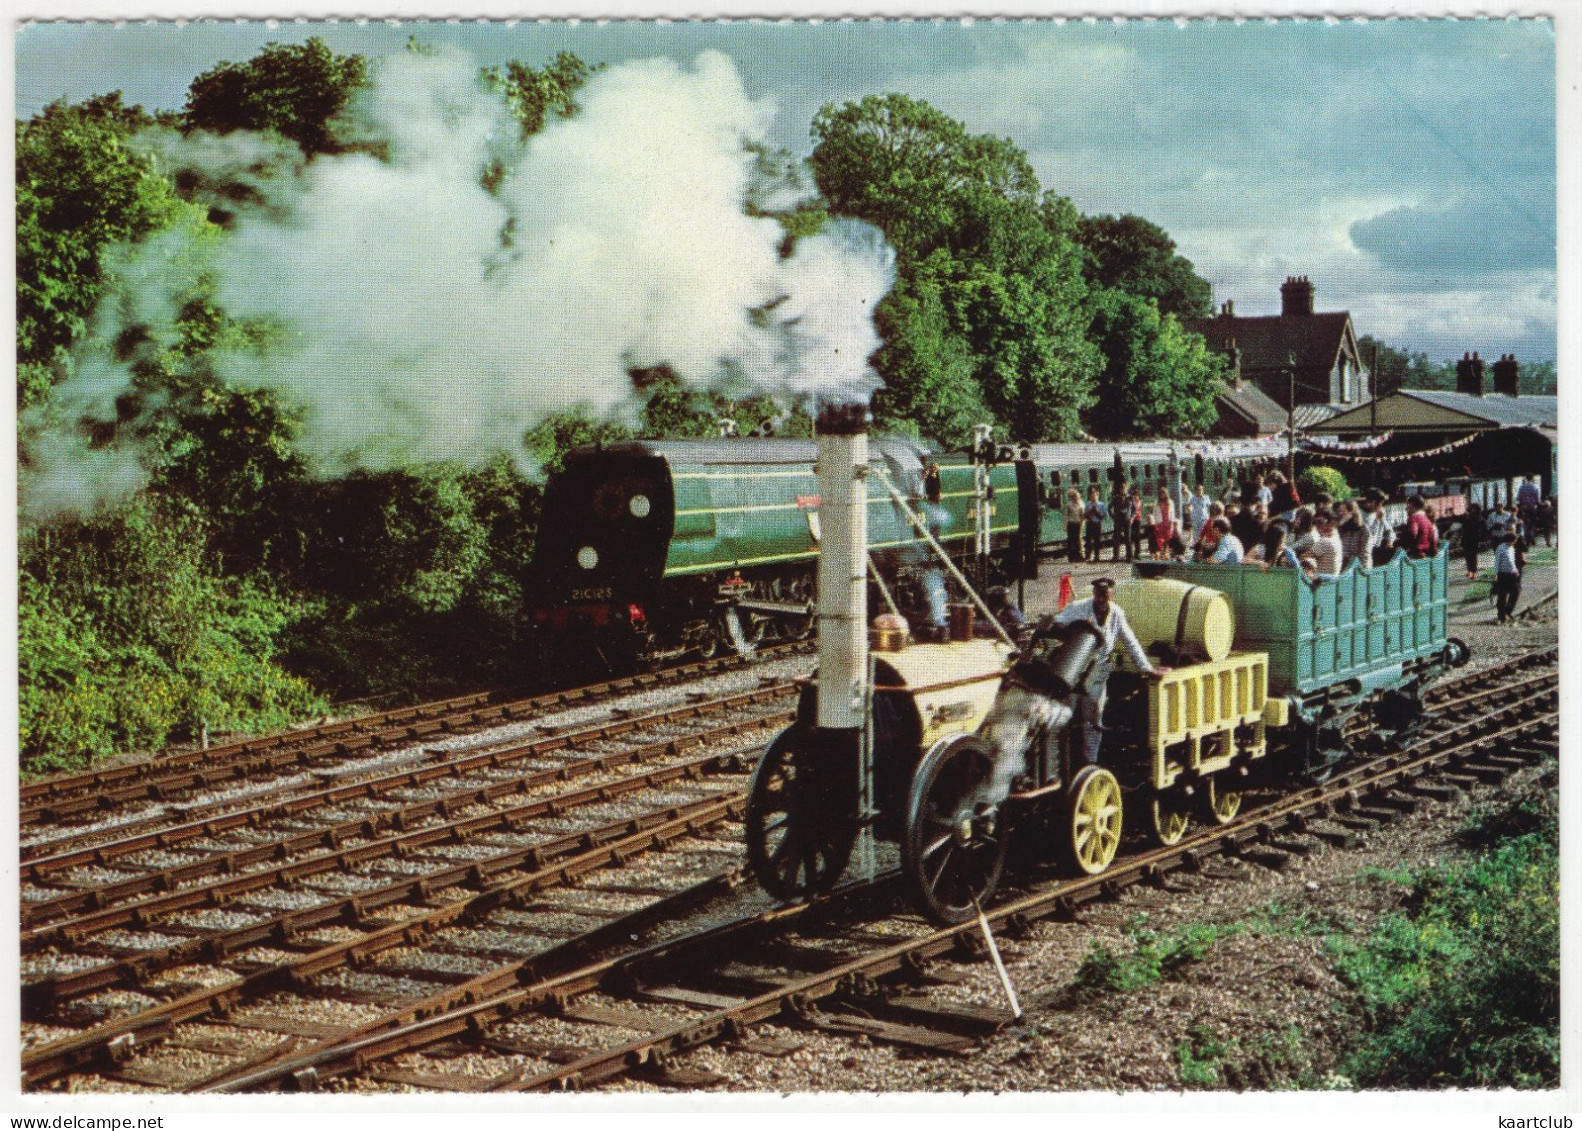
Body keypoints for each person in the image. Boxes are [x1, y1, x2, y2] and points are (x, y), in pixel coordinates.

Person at [1053, 578, 1169, 763]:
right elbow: (1058, 621)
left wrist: (1146, 668)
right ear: (1094, 594)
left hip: (1098, 671)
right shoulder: (1078, 607)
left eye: (1105, 596)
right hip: (1075, 667)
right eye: (1098, 595)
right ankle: (1060, 762)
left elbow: (1131, 642)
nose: (1101, 600)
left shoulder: (1117, 613)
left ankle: (1090, 761)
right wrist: (1064, 630)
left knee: (1094, 719)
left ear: (1111, 596)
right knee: (1065, 715)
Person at [1294, 508, 1344, 576]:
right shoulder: (1336, 538)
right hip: (1328, 580)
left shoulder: (1325, 541)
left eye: (1320, 522)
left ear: (1331, 523)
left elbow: (1300, 559)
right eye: (1314, 522)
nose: (1317, 526)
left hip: (1322, 582)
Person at [1361, 488, 1397, 566]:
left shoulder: (1379, 513)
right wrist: (1377, 520)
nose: (1381, 506)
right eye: (1379, 503)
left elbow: (1389, 531)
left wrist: (1390, 541)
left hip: (1376, 551)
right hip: (1364, 553)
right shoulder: (1361, 515)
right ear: (1370, 502)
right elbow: (1369, 536)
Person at [1493, 533, 1522, 623]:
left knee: (1516, 592)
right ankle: (1501, 615)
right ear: (1510, 540)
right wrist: (1496, 574)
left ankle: (1508, 611)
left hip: (1512, 574)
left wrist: (1516, 571)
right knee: (1502, 595)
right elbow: (1497, 561)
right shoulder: (1501, 548)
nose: (1515, 542)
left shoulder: (1512, 548)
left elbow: (1512, 561)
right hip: (1503, 575)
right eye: (1515, 540)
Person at [1335, 499, 1372, 569]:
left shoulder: (1363, 529)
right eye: (1339, 511)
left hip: (1356, 567)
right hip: (1340, 565)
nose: (1340, 513)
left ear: (1352, 512)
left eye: (1343, 511)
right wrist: (1340, 524)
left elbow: (1365, 554)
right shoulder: (1339, 527)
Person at [1151, 488, 1179, 558]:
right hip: (1160, 522)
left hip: (1168, 522)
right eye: (1160, 493)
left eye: (1163, 493)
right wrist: (1154, 521)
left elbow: (1172, 513)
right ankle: (1159, 551)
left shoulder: (1170, 502)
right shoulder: (1157, 502)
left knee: (1167, 538)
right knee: (1160, 538)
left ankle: (1165, 553)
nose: (1162, 495)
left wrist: (1172, 522)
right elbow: (1154, 513)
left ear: (1166, 494)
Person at [1460, 503, 1485, 579]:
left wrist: (1481, 539)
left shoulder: (1479, 518)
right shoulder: (1467, 517)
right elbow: (1463, 527)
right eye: (1471, 508)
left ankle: (1474, 572)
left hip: (1474, 539)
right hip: (1466, 538)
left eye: (1474, 508)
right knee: (1467, 556)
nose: (1472, 510)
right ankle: (1469, 571)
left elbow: (1482, 529)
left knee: (1473, 556)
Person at [1084, 487, 1108, 564]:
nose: (1093, 497)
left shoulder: (1101, 504)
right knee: (1088, 540)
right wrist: (1089, 512)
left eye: (1094, 496)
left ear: (1098, 496)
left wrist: (1097, 512)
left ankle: (1096, 556)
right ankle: (1088, 555)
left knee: (1097, 540)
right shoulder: (1087, 504)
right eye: (1091, 496)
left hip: (1097, 523)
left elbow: (1105, 515)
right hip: (1089, 523)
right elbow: (1084, 515)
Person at [1110, 479, 1130, 563]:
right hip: (1118, 519)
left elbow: (1133, 508)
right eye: (1121, 488)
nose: (1123, 490)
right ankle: (1115, 557)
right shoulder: (1116, 498)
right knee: (1116, 539)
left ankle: (1129, 557)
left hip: (1126, 519)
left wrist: (1131, 517)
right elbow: (1109, 507)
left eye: (1124, 488)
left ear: (1125, 489)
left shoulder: (1129, 497)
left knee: (1128, 539)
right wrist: (1113, 516)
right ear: (1120, 490)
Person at [1063, 488, 1085, 564]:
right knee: (1071, 540)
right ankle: (1071, 557)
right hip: (1071, 523)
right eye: (1075, 496)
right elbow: (1066, 515)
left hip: (1079, 523)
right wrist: (1065, 525)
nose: (1077, 498)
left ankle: (1079, 556)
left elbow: (1083, 514)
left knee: (1078, 540)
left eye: (1078, 496)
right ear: (1072, 497)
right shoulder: (1069, 504)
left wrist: (1083, 523)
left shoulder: (1081, 503)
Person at [1125, 484, 1145, 561]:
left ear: (1139, 496)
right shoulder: (1131, 501)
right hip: (1131, 521)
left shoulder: (1140, 502)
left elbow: (1137, 511)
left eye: (1137, 495)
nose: (1135, 497)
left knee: (1137, 537)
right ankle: (1131, 554)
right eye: (1134, 495)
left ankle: (1137, 553)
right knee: (1131, 537)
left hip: (1137, 520)